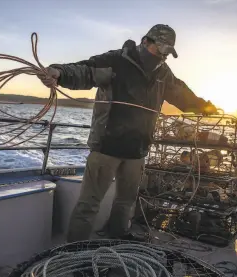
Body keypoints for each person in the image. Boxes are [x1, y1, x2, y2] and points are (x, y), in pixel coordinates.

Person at [37, 24, 217, 242]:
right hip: (107, 147)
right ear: (145, 42)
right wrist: (59, 73)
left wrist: (205, 107)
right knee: (89, 204)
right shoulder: (116, 61)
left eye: (167, 52)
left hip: (138, 150)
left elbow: (182, 94)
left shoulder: (163, 74)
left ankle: (118, 237)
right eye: (159, 48)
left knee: (126, 201)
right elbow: (85, 71)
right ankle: (73, 250)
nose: (162, 55)